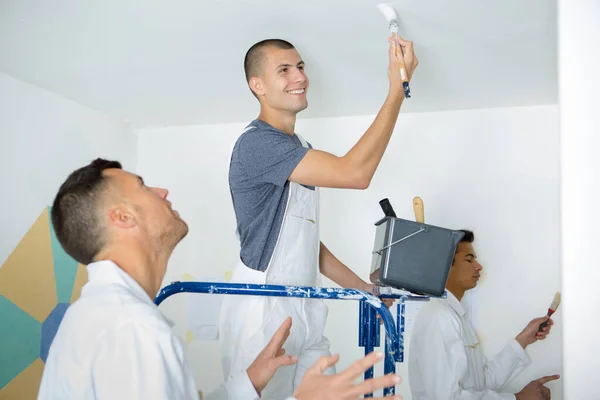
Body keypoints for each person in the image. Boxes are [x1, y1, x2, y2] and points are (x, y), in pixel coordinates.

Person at [37, 158, 402, 400]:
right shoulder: (131, 330)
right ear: (122, 218)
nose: (163, 192)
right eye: (144, 187)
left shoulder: (101, 317)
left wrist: (248, 382)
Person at [219, 34, 418, 399]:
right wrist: (396, 90)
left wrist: (365, 291)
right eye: (284, 70)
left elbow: (306, 241)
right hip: (263, 303)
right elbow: (355, 174)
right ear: (257, 85)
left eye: (300, 67)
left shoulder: (300, 149)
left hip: (306, 299)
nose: (299, 77)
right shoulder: (257, 144)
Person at [408, 230, 560, 399]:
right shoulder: (438, 317)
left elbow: (482, 383)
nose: (479, 266)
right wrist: (519, 398)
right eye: (469, 259)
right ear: (444, 265)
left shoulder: (454, 316)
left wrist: (524, 338)